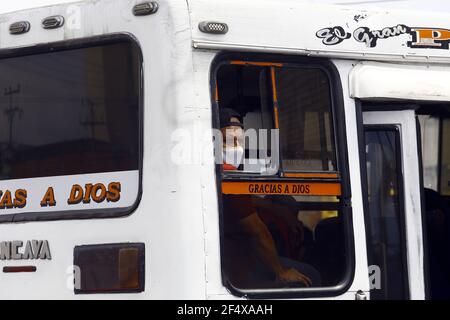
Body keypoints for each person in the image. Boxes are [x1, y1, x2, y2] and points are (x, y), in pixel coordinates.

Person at [219, 107, 320, 288]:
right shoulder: (227, 175)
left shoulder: (223, 174)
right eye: (229, 141)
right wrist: (280, 272)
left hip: (236, 259)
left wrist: (274, 207)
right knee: (311, 275)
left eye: (240, 141)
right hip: (241, 267)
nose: (237, 148)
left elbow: (245, 200)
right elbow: (257, 231)